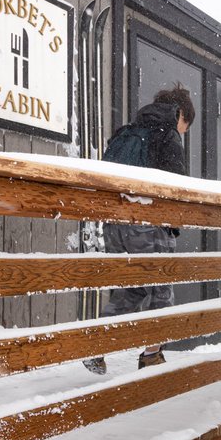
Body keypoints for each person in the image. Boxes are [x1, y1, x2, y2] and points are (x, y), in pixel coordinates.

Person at [85, 85, 193, 374]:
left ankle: (95, 346)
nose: (182, 132)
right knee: (161, 291)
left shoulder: (127, 131)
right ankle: (152, 356)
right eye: (185, 126)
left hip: (114, 226)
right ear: (180, 113)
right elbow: (175, 186)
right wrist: (173, 224)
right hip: (147, 224)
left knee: (131, 290)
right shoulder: (166, 134)